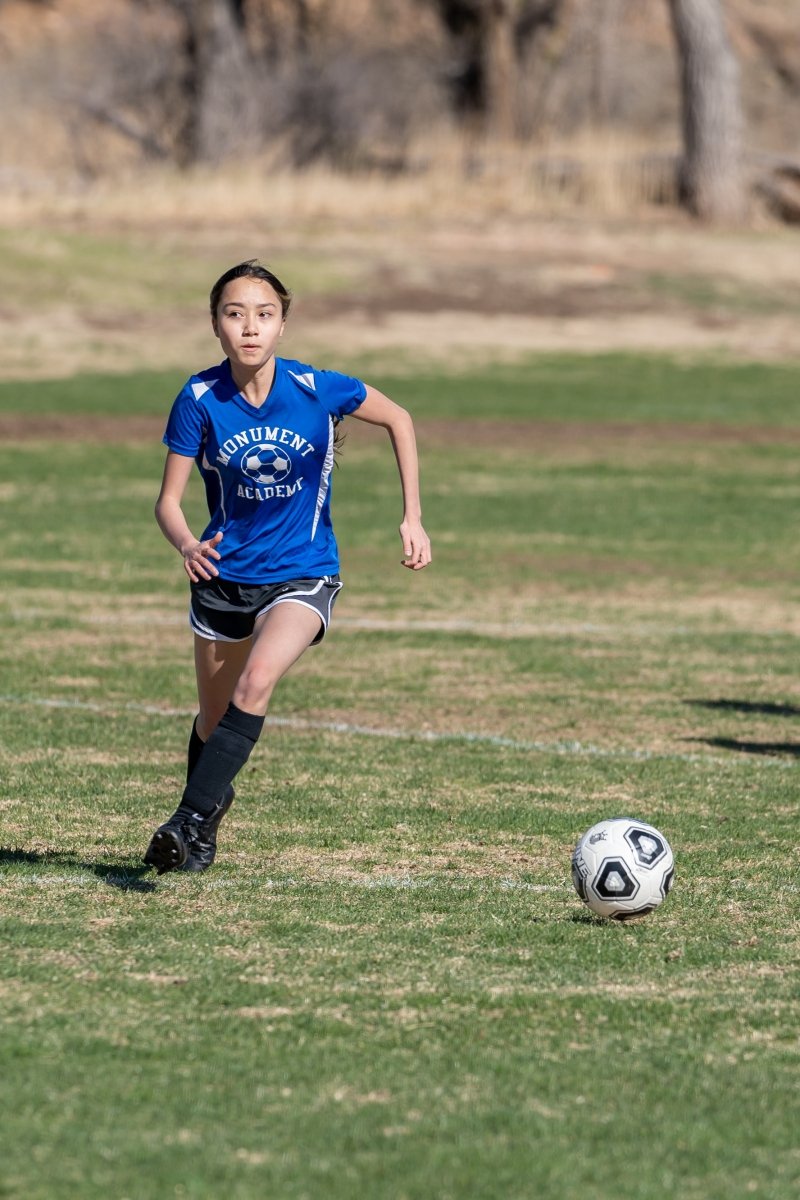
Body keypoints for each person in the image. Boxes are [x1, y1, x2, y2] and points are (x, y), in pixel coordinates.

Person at [143, 260, 431, 875]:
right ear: (216, 325)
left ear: (282, 324)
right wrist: (188, 544)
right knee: (214, 723)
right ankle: (205, 826)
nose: (250, 327)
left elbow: (400, 419)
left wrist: (413, 516)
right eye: (235, 314)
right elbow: (167, 502)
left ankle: (185, 821)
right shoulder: (198, 399)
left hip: (304, 571)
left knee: (255, 684)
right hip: (222, 577)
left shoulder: (316, 388)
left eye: (264, 314)